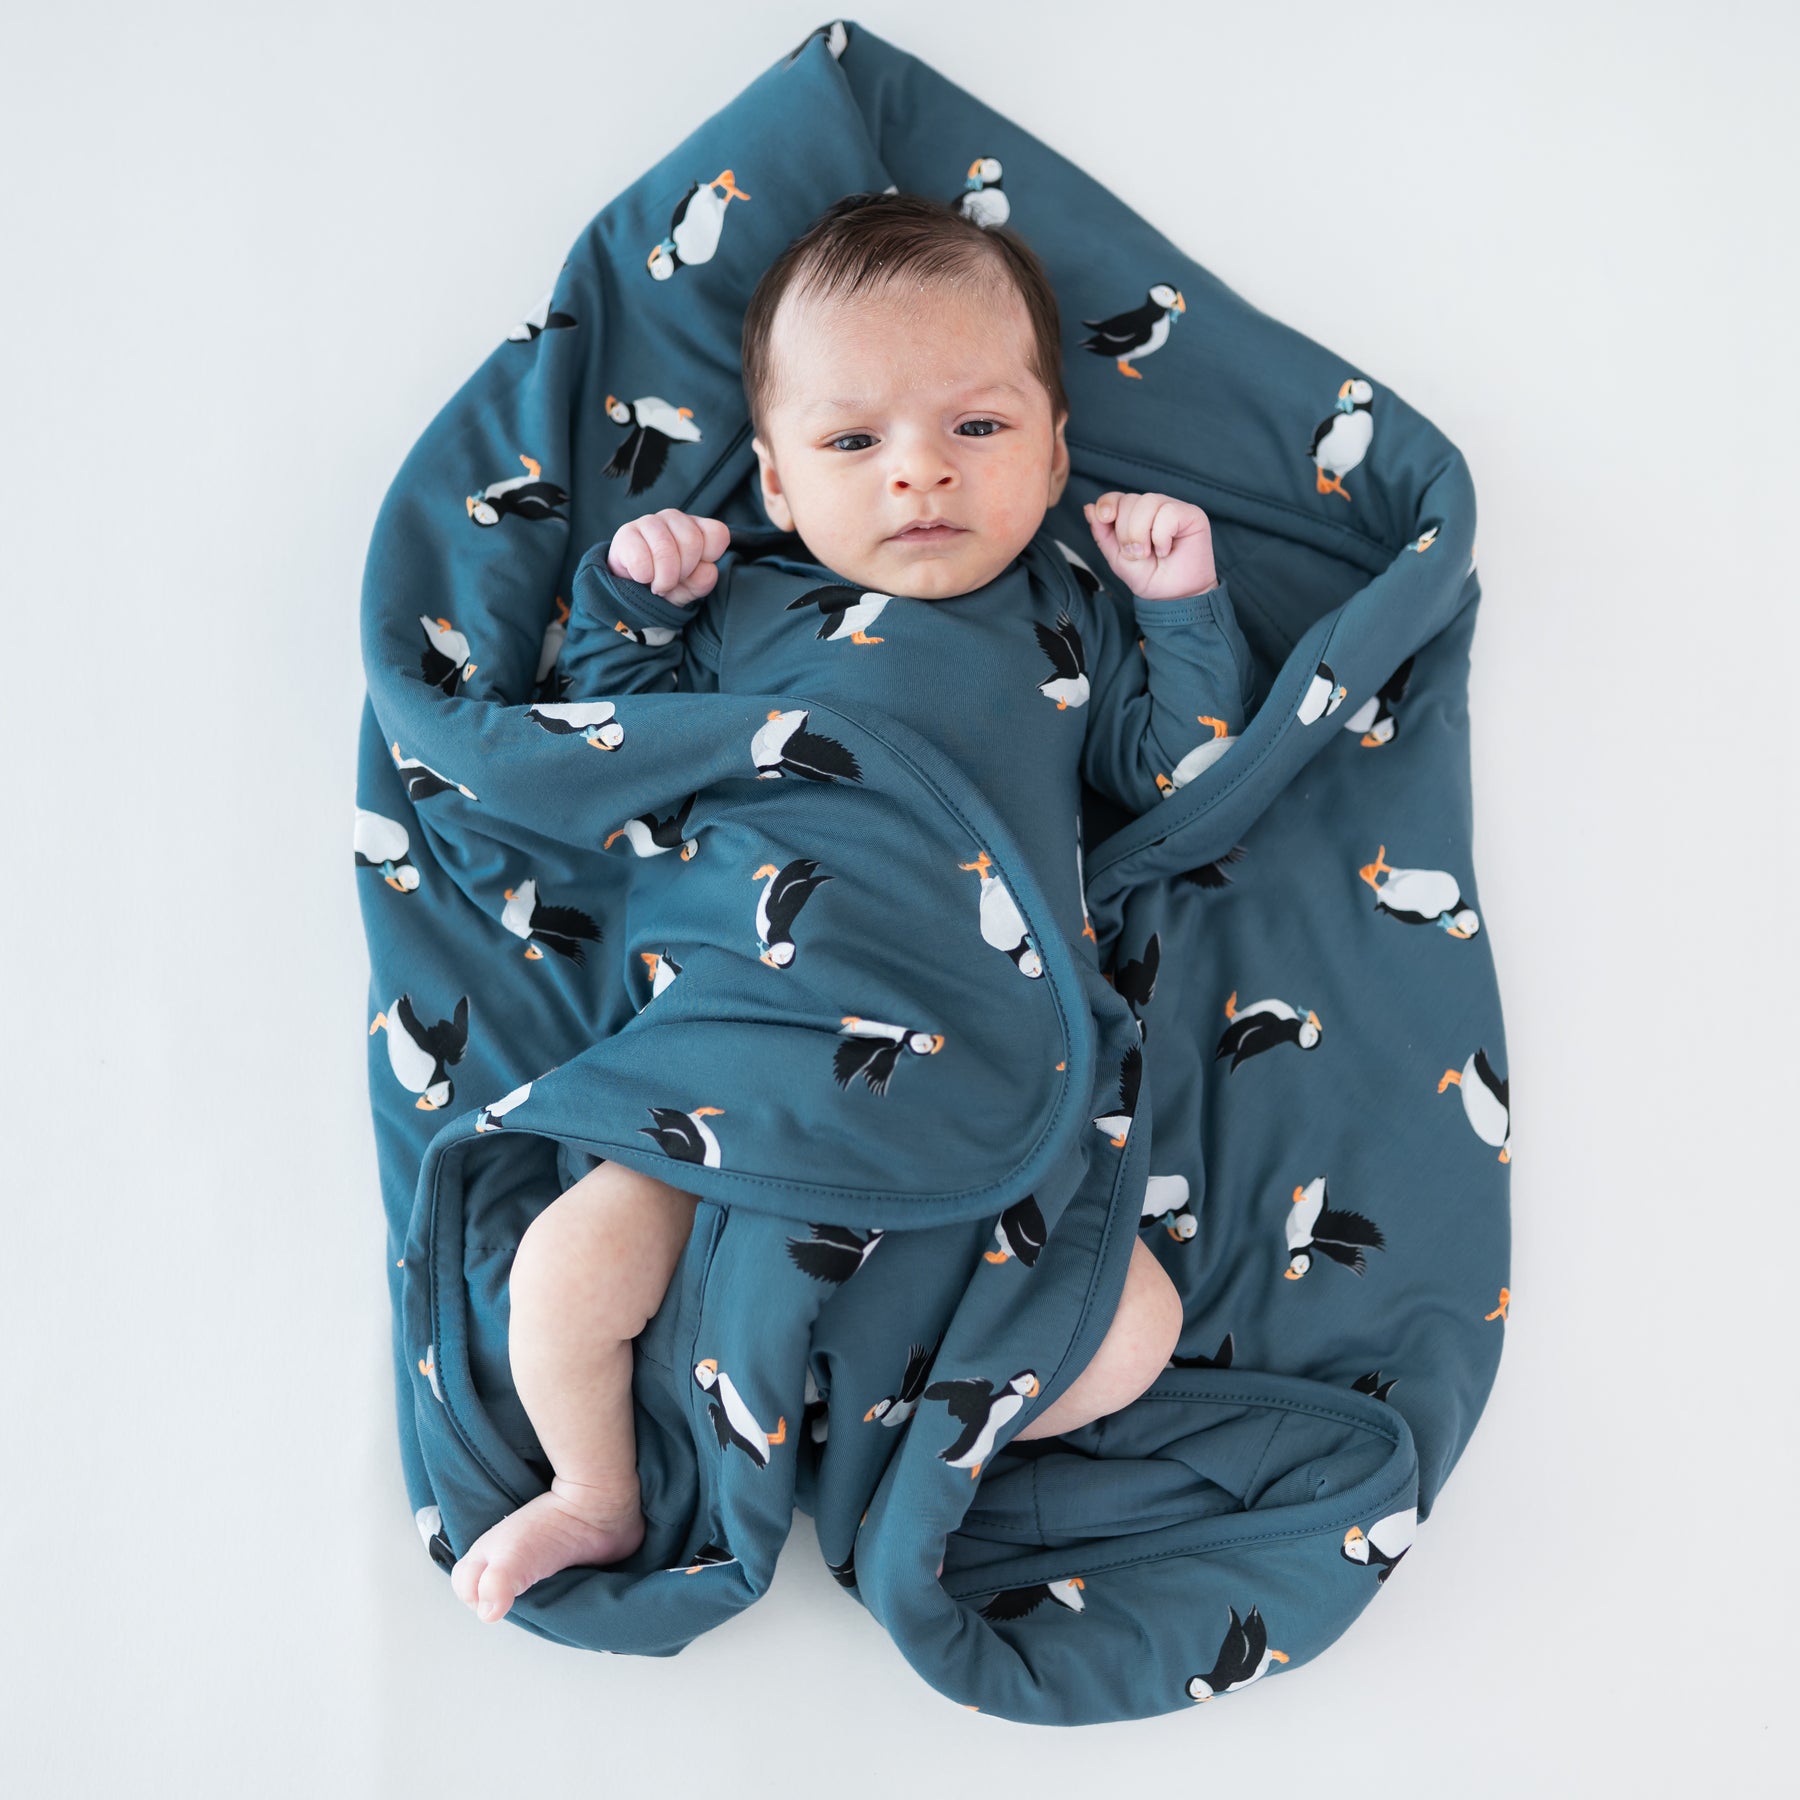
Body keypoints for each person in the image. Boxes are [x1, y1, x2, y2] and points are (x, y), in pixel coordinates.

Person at [451, 192, 1255, 1625]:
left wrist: (1178, 608)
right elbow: (615, 753)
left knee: (1134, 1329)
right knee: (569, 1272)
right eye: (852, 442)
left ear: (1060, 451)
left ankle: (918, 1430)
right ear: (773, 482)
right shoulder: (747, 614)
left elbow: (1172, 775)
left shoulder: (1063, 612)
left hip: (979, 1063)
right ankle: (594, 1487)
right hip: (740, 1050)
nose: (918, 477)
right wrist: (630, 614)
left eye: (979, 429)